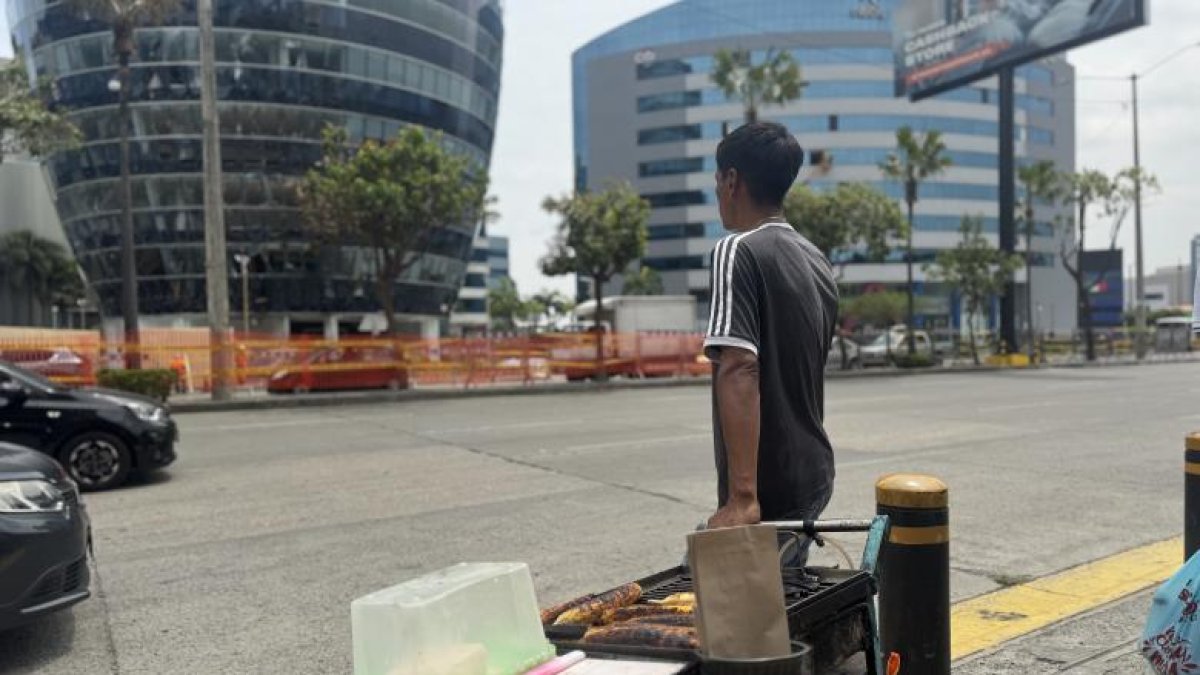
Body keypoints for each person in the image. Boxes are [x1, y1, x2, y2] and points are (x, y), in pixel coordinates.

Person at [703, 123, 839, 564]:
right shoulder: (816, 259)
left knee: (740, 620)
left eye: (717, 180)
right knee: (784, 610)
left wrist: (742, 497)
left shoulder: (736, 251)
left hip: (767, 488)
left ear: (732, 181)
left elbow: (740, 366)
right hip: (812, 474)